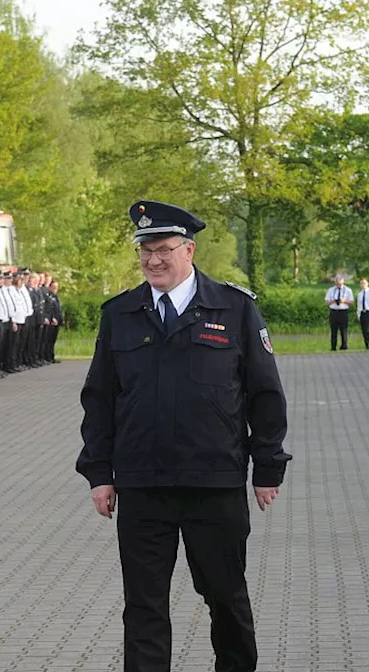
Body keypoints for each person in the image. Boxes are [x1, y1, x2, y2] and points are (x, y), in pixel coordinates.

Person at [78, 200, 291, 672]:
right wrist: (98, 472)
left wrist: (268, 466)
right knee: (144, 606)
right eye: (145, 250)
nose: (153, 260)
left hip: (212, 482)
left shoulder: (233, 308)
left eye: (163, 249)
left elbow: (265, 394)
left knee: (225, 598)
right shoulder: (121, 314)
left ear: (189, 250)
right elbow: (99, 399)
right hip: (142, 484)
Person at [325, 276, 353, 351]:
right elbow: (326, 302)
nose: (338, 285)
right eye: (337, 284)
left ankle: (344, 346)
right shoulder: (331, 290)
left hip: (343, 311)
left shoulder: (348, 290)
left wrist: (344, 301)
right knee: (333, 330)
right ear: (335, 283)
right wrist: (333, 301)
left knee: (343, 330)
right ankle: (333, 346)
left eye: (340, 284)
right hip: (334, 311)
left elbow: (351, 302)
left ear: (343, 282)